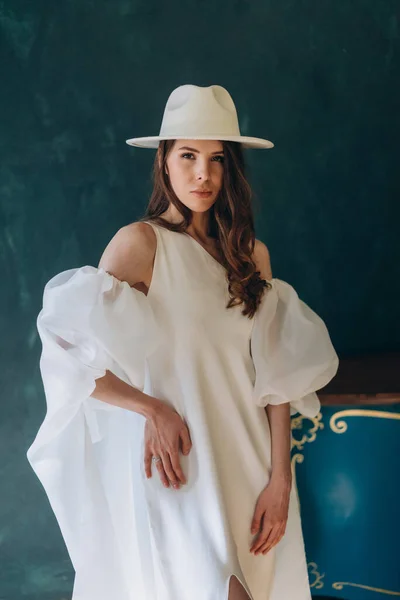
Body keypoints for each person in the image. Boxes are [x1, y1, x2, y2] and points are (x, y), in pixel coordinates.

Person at [26, 84, 339, 600]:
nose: (204, 174)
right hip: (184, 469)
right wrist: (151, 409)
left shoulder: (250, 256)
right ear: (164, 162)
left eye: (217, 159)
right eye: (188, 155)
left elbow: (276, 379)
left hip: (249, 461)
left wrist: (280, 480)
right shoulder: (141, 246)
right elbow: (68, 353)